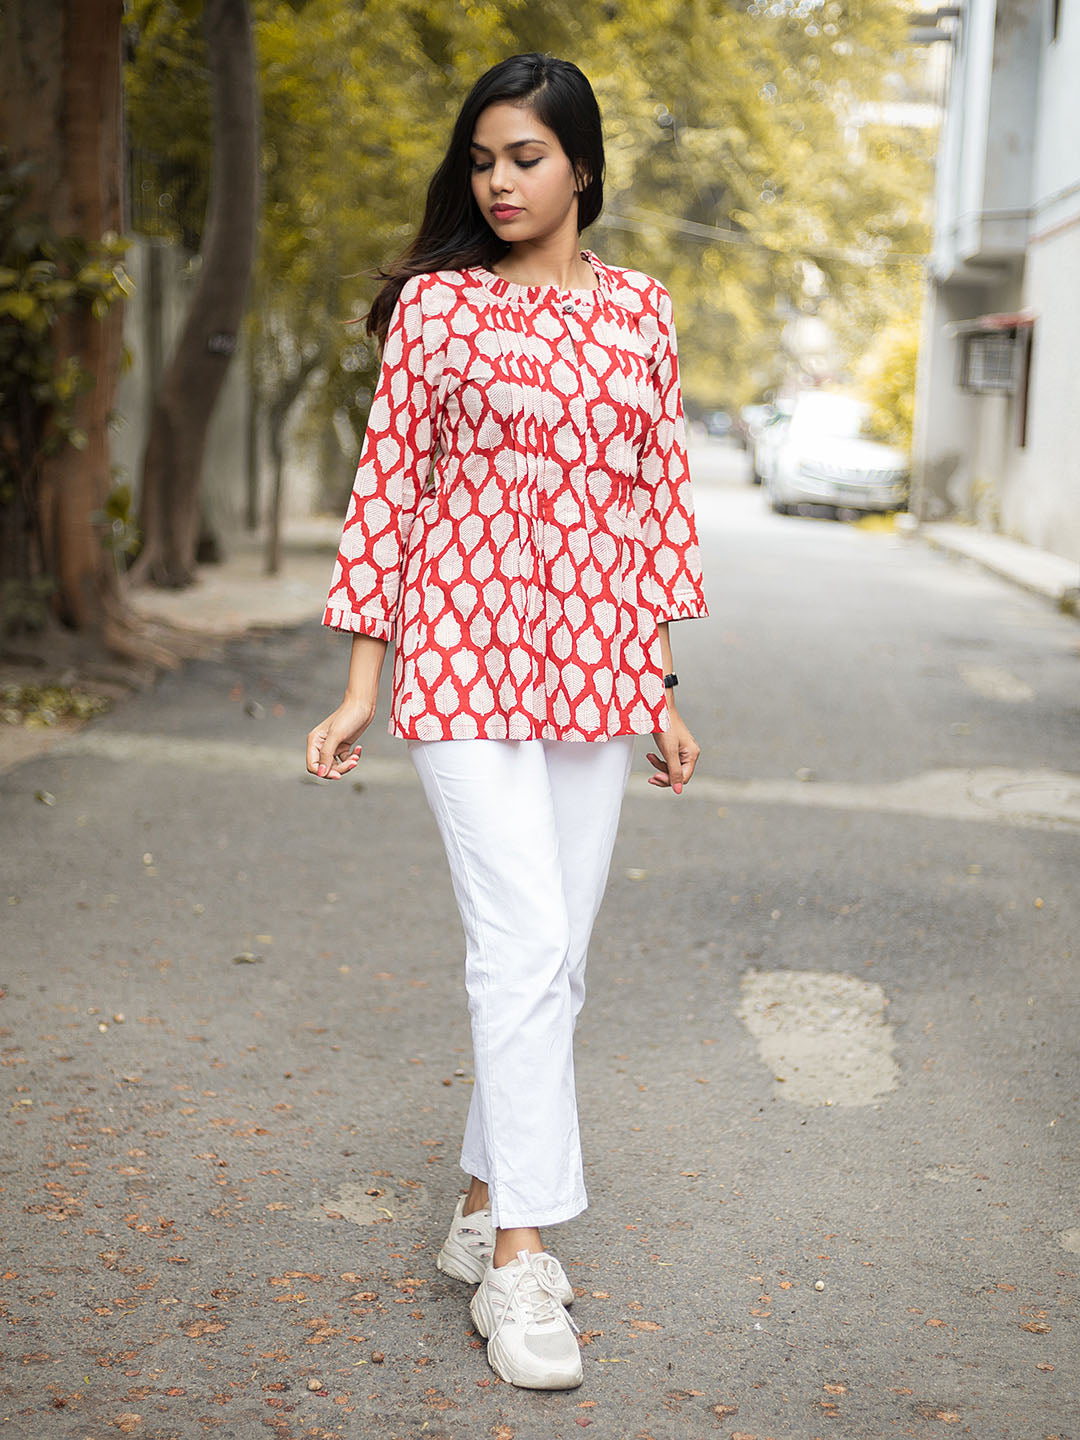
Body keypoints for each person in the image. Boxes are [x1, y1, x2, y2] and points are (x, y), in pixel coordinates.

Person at [305, 51, 708, 1392]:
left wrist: (655, 684)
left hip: (599, 672)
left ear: (582, 167)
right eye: (482, 161)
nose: (499, 182)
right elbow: (388, 495)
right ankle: (526, 1265)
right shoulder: (435, 310)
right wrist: (366, 683)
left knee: (561, 960)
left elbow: (657, 506)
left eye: (525, 158)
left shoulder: (644, 312)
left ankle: (483, 1208)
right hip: (465, 663)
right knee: (524, 942)